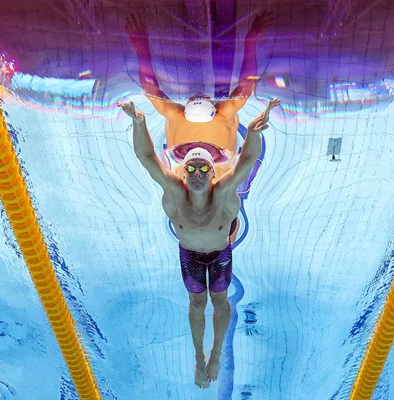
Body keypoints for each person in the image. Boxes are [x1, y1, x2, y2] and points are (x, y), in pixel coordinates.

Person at [118, 97, 280, 389]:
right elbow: (146, 157)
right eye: (191, 168)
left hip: (220, 254)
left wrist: (254, 134)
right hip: (190, 255)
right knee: (196, 303)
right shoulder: (173, 191)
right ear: (181, 172)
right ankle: (198, 357)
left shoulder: (224, 191)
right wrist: (138, 121)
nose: (196, 173)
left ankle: (216, 353)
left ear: (213, 173)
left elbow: (246, 160)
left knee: (219, 301)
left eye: (203, 169)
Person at [124, 11, 274, 179]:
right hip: (211, 169)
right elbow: (247, 85)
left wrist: (141, 48)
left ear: (186, 108)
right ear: (213, 108)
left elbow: (149, 87)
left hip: (204, 169)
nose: (199, 93)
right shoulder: (222, 114)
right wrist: (251, 40)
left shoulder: (177, 115)